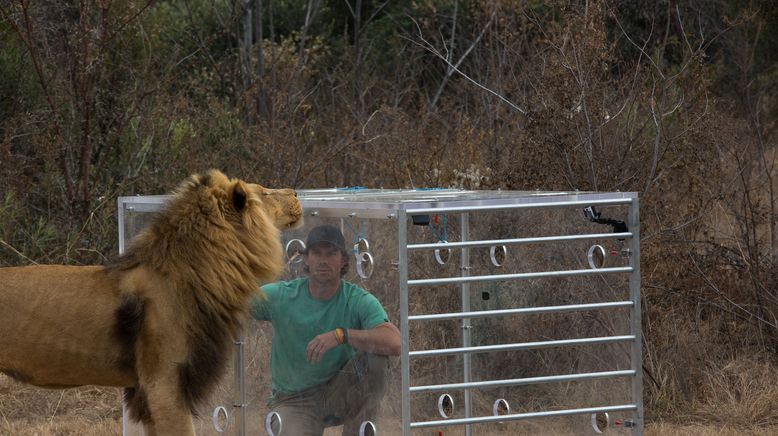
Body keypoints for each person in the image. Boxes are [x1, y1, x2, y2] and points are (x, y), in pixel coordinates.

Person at [250, 224, 401, 436]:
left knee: (376, 359)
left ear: (344, 261)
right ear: (306, 259)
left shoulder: (356, 300)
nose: (323, 260)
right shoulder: (283, 296)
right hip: (294, 401)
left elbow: (394, 342)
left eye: (331, 253)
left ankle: (357, 433)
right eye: (317, 253)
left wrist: (342, 335)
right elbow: (233, 302)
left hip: (339, 393)